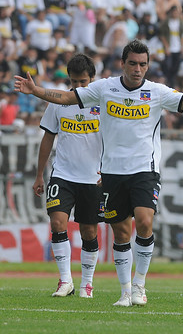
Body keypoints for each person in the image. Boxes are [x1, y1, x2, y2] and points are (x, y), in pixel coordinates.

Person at [14, 39, 183, 307]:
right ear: (123, 64)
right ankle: (125, 291)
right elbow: (65, 98)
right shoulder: (104, 88)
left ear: (148, 66)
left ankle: (139, 285)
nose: (137, 69)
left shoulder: (157, 92)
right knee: (120, 232)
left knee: (144, 221)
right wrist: (35, 90)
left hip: (145, 169)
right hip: (111, 173)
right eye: (132, 63)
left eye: (143, 64)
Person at [33, 54, 101, 299]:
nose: (79, 87)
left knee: (89, 232)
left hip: (93, 178)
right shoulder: (59, 102)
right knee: (58, 223)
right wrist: (40, 174)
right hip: (63, 175)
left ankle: (87, 284)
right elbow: (48, 137)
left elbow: (115, 139)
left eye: (83, 82)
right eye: (74, 82)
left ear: (92, 79)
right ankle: (65, 281)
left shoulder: (102, 102)